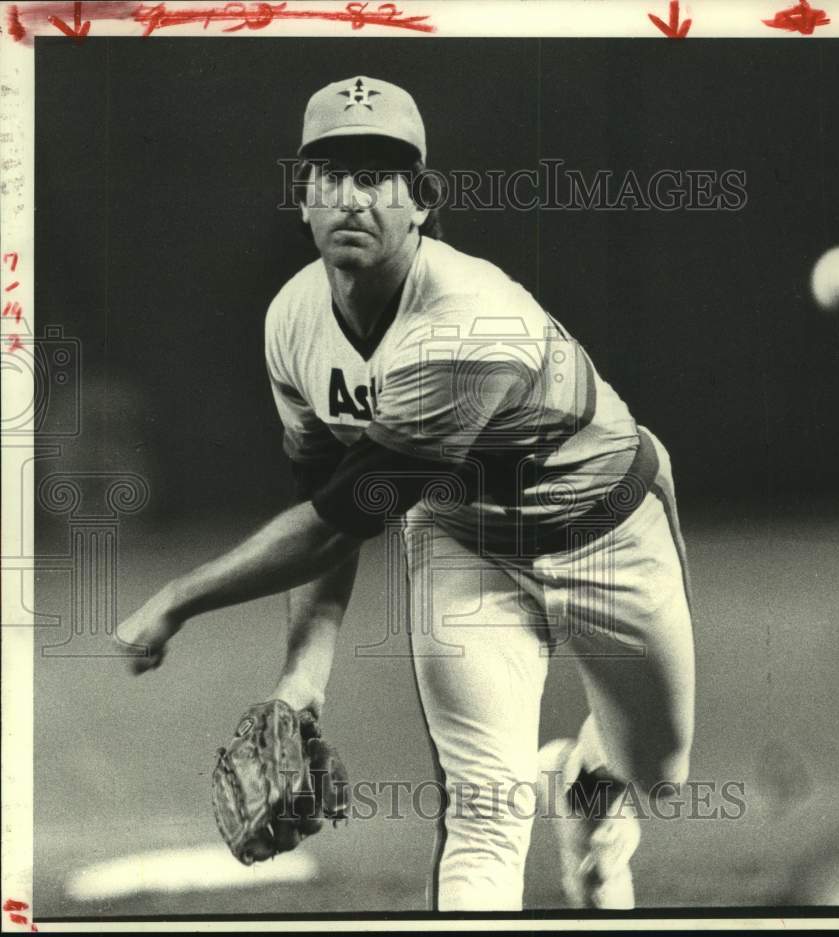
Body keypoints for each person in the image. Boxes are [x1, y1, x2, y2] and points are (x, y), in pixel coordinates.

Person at [118, 75, 695, 912]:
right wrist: (301, 678)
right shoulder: (293, 322)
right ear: (303, 197)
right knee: (484, 811)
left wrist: (179, 597)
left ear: (421, 201)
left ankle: (589, 791)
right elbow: (330, 499)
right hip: (464, 542)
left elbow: (337, 519)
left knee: (659, 772)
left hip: (604, 529)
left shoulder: (467, 321)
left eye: (379, 176)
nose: (352, 197)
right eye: (331, 175)